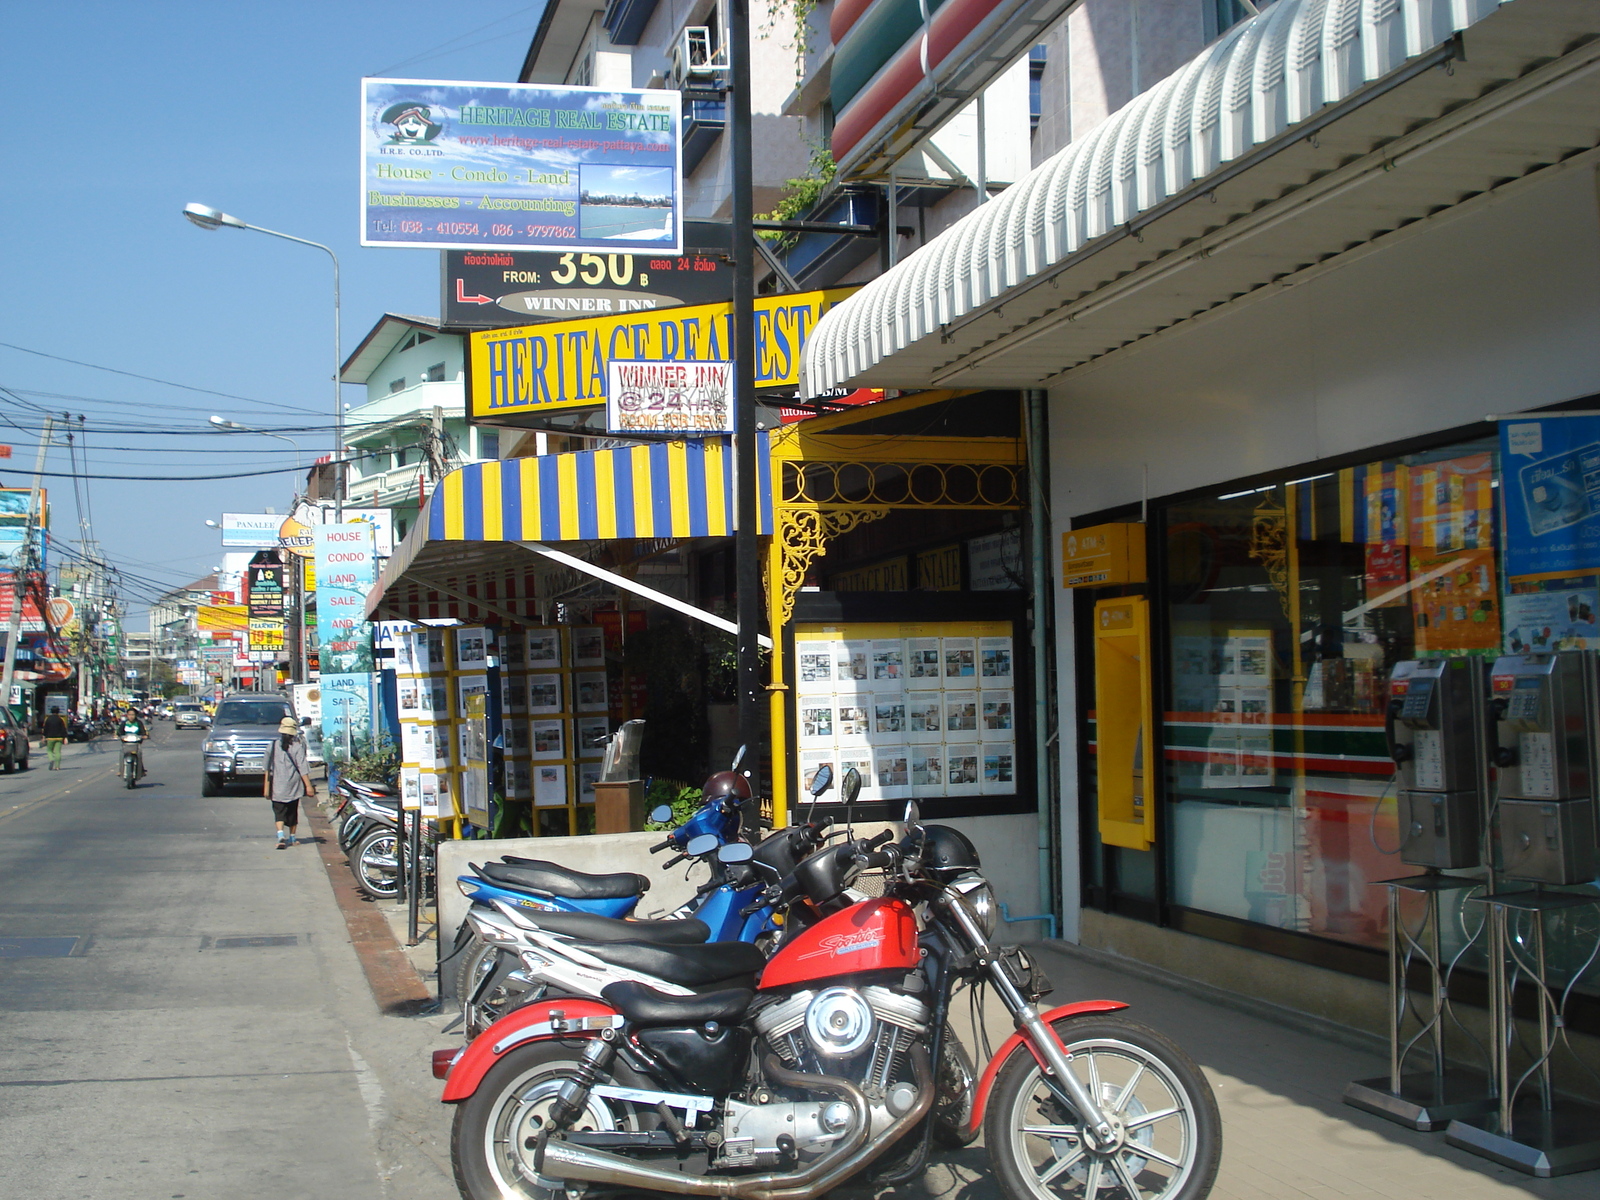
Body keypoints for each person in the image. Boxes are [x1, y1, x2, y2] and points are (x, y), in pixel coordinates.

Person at [264, 716, 314, 849]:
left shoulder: (272, 745)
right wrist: (308, 786)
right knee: (292, 812)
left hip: (277, 785)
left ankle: (280, 835)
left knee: (279, 811)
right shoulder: (297, 747)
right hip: (293, 785)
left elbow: (267, 767)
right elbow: (302, 768)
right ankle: (292, 837)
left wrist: (266, 786)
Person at [119, 710, 148, 779]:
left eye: (133, 715)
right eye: (129, 715)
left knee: (139, 755)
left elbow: (143, 732)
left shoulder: (138, 723)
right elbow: (119, 732)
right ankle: (121, 770)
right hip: (126, 743)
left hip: (136, 743)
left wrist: (144, 735)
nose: (131, 716)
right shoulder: (124, 723)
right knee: (122, 755)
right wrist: (118, 735)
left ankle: (141, 769)